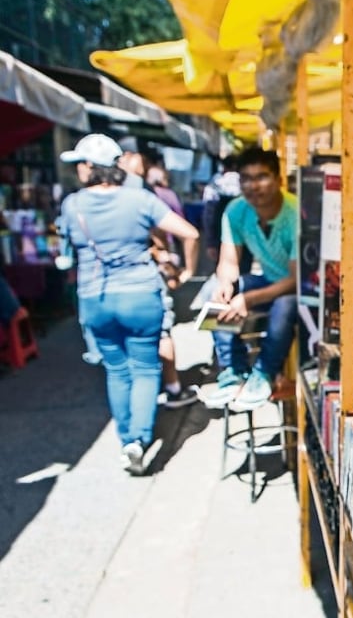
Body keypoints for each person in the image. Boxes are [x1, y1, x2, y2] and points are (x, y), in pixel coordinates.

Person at [58, 134, 199, 474]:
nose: (77, 169)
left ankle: (126, 441)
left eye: (81, 162)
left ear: (93, 167)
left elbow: (65, 256)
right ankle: (139, 438)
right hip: (140, 296)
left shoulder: (72, 205)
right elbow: (189, 233)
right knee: (146, 368)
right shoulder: (139, 200)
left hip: (95, 299)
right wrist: (187, 272)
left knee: (117, 371)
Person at [198, 147, 298, 411]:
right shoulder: (235, 210)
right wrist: (225, 285)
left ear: (278, 179)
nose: (254, 186)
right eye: (246, 178)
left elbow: (296, 279)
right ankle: (233, 370)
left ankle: (263, 372)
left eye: (262, 177)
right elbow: (228, 263)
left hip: (298, 289)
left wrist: (249, 298)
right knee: (214, 289)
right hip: (267, 281)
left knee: (286, 302)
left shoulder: (296, 213)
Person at [118, 140, 199, 408]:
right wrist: (179, 267)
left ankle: (153, 395)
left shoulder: (98, 199)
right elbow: (183, 233)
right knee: (160, 336)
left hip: (116, 288)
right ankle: (172, 388)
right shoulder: (141, 195)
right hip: (144, 281)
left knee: (132, 354)